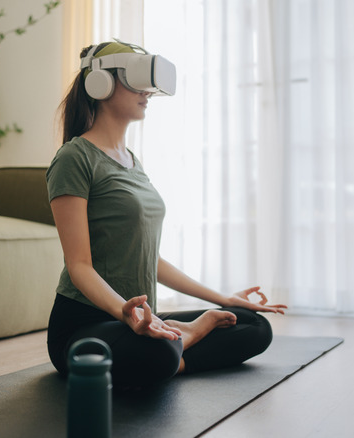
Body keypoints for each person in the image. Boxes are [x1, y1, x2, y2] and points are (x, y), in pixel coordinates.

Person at [46, 41, 287, 389]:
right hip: (84, 325)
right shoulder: (74, 158)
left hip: (140, 321)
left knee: (252, 325)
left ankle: (174, 348)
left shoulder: (132, 161)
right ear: (100, 84)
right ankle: (174, 346)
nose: (148, 92)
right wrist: (124, 314)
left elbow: (151, 260)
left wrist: (221, 298)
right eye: (136, 81)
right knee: (154, 353)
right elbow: (79, 265)